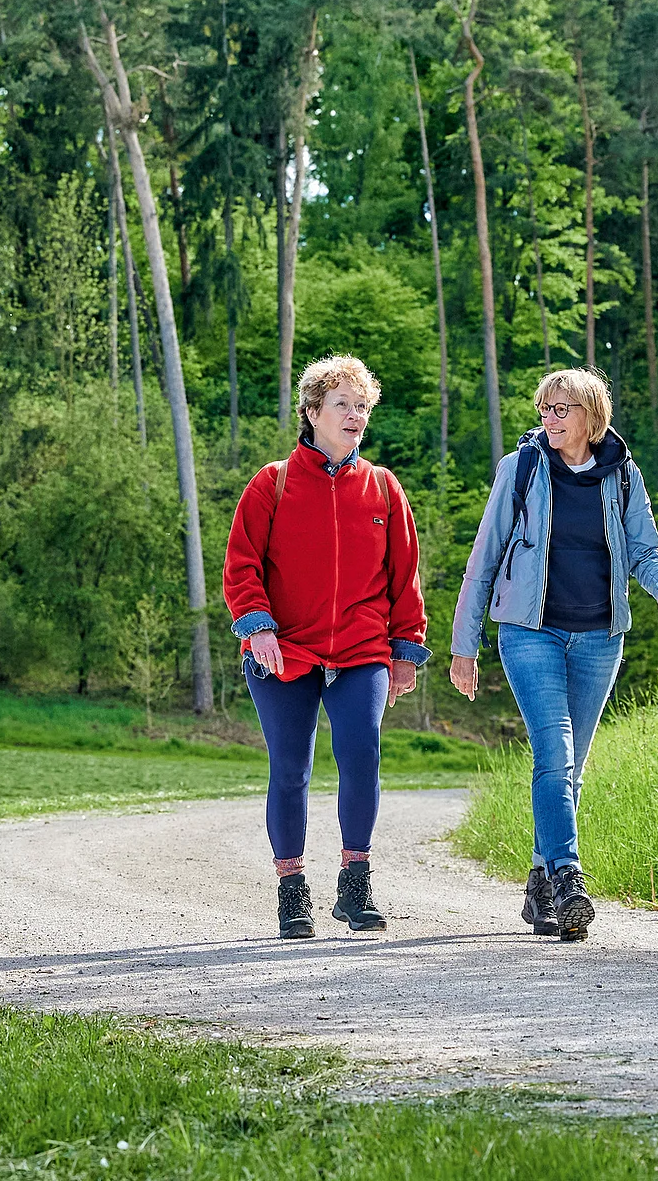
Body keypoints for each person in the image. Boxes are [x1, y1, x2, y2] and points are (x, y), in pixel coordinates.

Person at [449, 367, 658, 941]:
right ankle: (569, 876)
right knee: (554, 753)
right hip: (532, 634)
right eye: (545, 409)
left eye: (562, 410)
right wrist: (464, 645)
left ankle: (540, 883)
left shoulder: (621, 475)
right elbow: (484, 558)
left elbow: (644, 547)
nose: (549, 419)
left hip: (600, 637)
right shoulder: (522, 469)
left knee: (570, 767)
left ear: (590, 416)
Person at [224, 354, 428, 938]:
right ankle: (292, 890)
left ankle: (354, 883)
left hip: (363, 647)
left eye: (363, 407)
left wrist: (405, 650)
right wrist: (256, 625)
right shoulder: (273, 483)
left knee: (362, 754)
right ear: (312, 411)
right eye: (343, 404)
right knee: (291, 769)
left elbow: (404, 576)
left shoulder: (385, 489)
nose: (356, 416)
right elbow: (241, 563)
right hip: (284, 651)